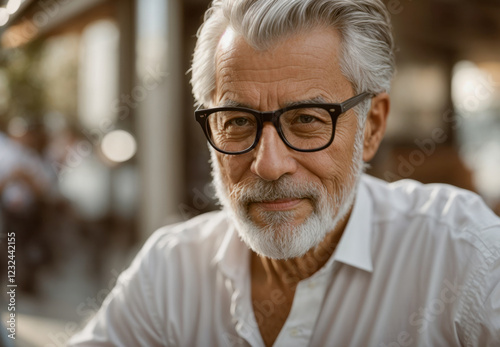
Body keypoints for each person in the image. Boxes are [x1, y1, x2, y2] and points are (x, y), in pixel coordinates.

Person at [69, 0, 500, 346]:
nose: (270, 165)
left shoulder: (461, 255)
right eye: (237, 121)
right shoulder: (171, 272)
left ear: (371, 128)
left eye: (308, 119)